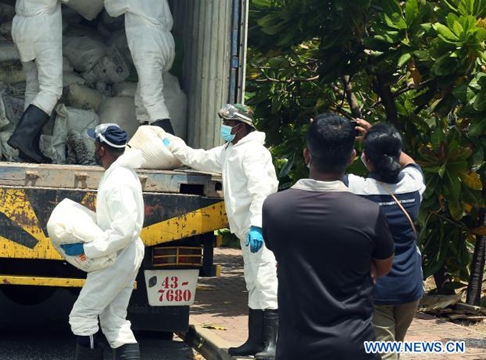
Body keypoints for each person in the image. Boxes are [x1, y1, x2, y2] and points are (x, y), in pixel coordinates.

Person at [262, 113, 395, 360]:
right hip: (353, 347)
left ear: (306, 155)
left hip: (296, 349)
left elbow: (280, 252)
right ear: (352, 157)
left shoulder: (274, 207)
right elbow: (384, 267)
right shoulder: (368, 213)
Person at [162, 103, 279, 358]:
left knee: (266, 282)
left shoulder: (254, 153)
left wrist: (258, 226)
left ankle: (272, 344)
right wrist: (174, 147)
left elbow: (261, 190)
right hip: (247, 229)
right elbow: (201, 158)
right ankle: (255, 341)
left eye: (229, 123)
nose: (224, 128)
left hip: (259, 227)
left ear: (241, 126)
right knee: (254, 283)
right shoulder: (230, 150)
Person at [62, 124, 144, 360]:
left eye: (95, 144)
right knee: (114, 320)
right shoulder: (123, 173)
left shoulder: (118, 180)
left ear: (101, 149)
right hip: (124, 252)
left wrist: (88, 249)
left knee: (82, 316)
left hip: (116, 255)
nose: (93, 148)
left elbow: (123, 230)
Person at [345, 121, 425, 360]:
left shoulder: (357, 188)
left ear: (366, 159)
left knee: (384, 353)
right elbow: (409, 162)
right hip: (410, 287)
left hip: (377, 287)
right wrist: (380, 138)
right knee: (393, 349)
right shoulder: (414, 184)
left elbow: (327, 170)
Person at [8, 0, 77, 163]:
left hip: (20, 28)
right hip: (42, 31)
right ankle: (23, 137)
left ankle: (28, 148)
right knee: (51, 89)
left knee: (32, 86)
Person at [104, 0, 177, 135]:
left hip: (148, 47)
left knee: (152, 99)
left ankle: (171, 147)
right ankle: (145, 141)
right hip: (166, 43)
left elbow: (111, 8)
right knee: (143, 98)